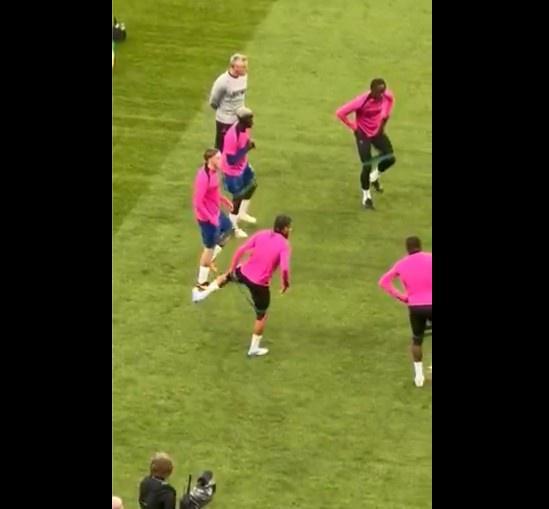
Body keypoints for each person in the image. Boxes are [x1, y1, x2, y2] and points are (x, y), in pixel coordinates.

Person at [192, 215, 293, 357]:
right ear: (284, 229)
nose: (290, 230)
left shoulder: (262, 234)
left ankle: (200, 295)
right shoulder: (284, 245)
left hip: (244, 272)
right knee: (262, 316)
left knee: (226, 277)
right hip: (260, 284)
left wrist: (232, 268)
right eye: (289, 227)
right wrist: (285, 284)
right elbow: (285, 269)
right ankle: (254, 348)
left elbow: (241, 250)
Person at [379, 236, 432, 387]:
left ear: (407, 248)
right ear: (420, 246)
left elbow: (384, 282)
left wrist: (402, 297)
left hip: (415, 306)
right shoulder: (430, 258)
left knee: (417, 339)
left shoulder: (402, 264)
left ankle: (419, 377)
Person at [336, 78, 396, 210]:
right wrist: (354, 128)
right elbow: (340, 113)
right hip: (363, 134)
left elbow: (389, 105)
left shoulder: (387, 97)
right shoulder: (362, 101)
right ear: (372, 90)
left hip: (376, 132)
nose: (381, 94)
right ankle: (366, 197)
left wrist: (383, 120)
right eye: (379, 92)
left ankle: (374, 177)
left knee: (390, 158)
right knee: (367, 164)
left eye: (383, 91)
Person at [192, 148, 234, 288]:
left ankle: (211, 259)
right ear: (210, 160)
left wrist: (224, 200)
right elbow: (198, 203)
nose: (221, 160)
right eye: (218, 158)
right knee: (209, 248)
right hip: (207, 218)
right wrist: (211, 219)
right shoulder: (203, 177)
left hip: (215, 212)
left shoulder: (215, 172)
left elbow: (213, 191)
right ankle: (201, 282)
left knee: (228, 229)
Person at [221, 106, 258, 238]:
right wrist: (246, 149)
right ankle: (232, 228)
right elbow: (231, 160)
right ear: (242, 121)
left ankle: (242, 213)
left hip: (243, 166)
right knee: (237, 198)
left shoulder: (244, 129)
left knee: (252, 185)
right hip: (232, 172)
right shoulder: (232, 136)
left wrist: (248, 143)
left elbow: (244, 142)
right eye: (250, 119)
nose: (252, 122)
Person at [209, 53, 248, 152]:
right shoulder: (223, 81)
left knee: (236, 148)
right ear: (234, 67)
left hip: (239, 119)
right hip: (225, 121)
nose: (245, 69)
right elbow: (213, 101)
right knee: (221, 149)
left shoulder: (244, 76)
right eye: (243, 67)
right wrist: (225, 112)